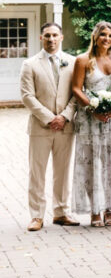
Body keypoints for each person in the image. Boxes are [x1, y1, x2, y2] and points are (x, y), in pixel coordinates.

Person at [21, 22, 79, 232]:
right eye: (47, 36)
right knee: (37, 172)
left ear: (61, 38)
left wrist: (64, 117)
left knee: (62, 172)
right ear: (41, 38)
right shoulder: (30, 64)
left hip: (65, 126)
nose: (51, 39)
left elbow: (76, 93)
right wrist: (49, 118)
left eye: (55, 35)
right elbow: (27, 96)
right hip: (40, 127)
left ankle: (61, 211)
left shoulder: (72, 62)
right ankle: (36, 215)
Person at [70, 21, 111, 228]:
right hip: (89, 119)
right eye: (102, 35)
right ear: (95, 37)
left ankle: (109, 208)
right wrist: (93, 108)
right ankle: (94, 210)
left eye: (110, 35)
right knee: (91, 165)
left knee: (110, 165)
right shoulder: (83, 60)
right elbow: (76, 88)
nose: (106, 39)